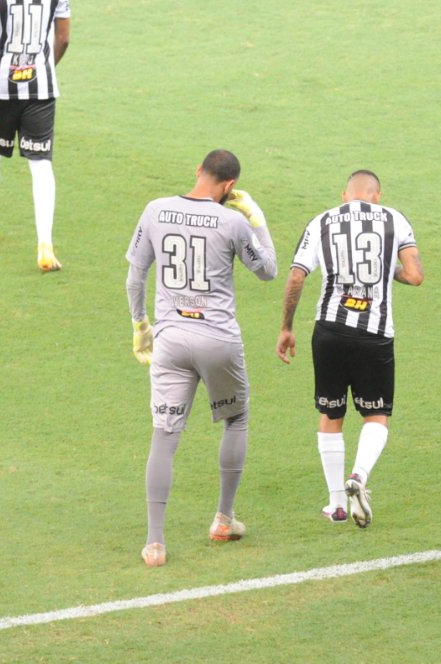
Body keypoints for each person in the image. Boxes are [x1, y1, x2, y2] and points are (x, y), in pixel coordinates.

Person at [125, 149, 277, 567]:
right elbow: (268, 270)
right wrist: (257, 219)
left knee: (164, 437)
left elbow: (135, 275)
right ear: (230, 187)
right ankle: (223, 520)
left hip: (170, 339)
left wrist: (141, 325)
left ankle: (155, 544)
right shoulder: (231, 221)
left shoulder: (156, 210)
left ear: (197, 171)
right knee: (237, 419)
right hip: (218, 341)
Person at [276, 169, 423, 528]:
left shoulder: (322, 221)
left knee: (331, 414)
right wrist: (387, 272)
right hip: (375, 334)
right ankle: (359, 474)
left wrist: (286, 327)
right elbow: (415, 275)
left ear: (345, 195)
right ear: (376, 194)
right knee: (376, 415)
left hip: (328, 331)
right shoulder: (395, 219)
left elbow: (296, 276)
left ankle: (336, 505)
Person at [0, 0, 71, 270]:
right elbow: (64, 38)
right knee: (41, 164)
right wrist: (44, 69)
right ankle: (45, 245)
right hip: (41, 87)